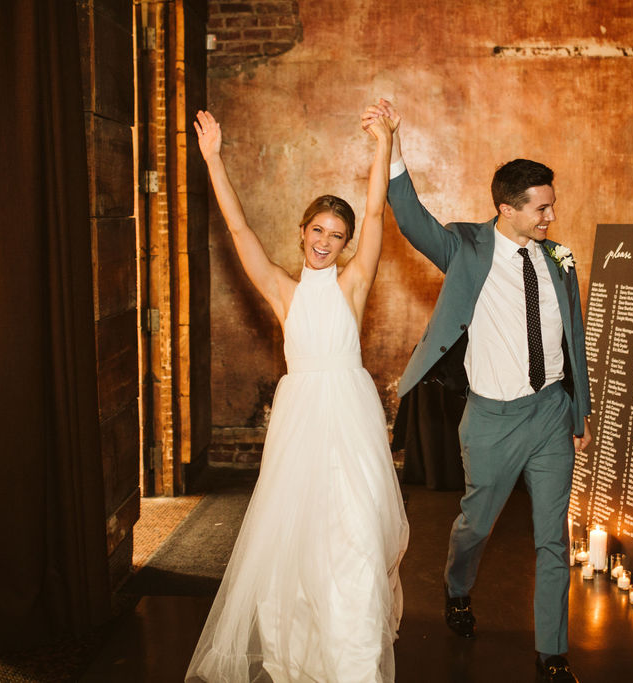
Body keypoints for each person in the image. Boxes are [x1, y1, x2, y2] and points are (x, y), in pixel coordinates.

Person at [366, 99, 592, 683]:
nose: (550, 217)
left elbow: (574, 340)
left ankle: (553, 654)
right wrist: (392, 144)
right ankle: (457, 586)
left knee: (552, 538)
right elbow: (410, 215)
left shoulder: (558, 260)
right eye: (541, 209)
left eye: (551, 207)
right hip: (491, 419)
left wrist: (577, 409)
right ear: (507, 208)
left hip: (549, 413)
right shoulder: (467, 248)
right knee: (476, 525)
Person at [185, 108, 409, 683]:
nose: (326, 243)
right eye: (318, 231)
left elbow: (378, 209)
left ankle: (354, 661)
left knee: (354, 534)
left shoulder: (353, 283)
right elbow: (239, 232)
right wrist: (213, 160)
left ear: (346, 243)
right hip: (300, 421)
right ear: (303, 230)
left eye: (338, 236)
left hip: (350, 420)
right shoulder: (283, 289)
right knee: (296, 539)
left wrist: (383, 142)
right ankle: (298, 658)